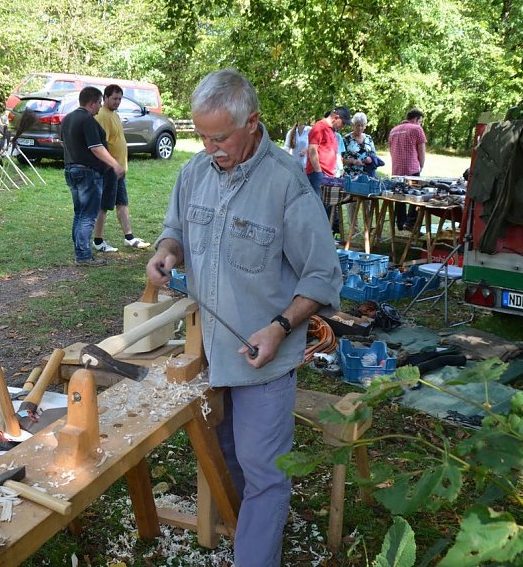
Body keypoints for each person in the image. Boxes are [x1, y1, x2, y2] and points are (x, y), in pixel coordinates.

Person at [146, 69, 342, 567]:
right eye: (202, 136)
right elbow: (175, 231)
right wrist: (167, 252)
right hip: (211, 354)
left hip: (262, 358)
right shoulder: (194, 173)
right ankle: (253, 531)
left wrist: (279, 328)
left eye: (220, 136)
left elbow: (322, 275)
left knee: (265, 471)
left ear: (252, 123)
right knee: (228, 456)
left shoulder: (286, 184)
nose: (210, 147)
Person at [61, 86, 125, 266]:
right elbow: (96, 147)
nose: (99, 107)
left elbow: (63, 143)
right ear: (91, 103)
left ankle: (79, 250)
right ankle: (83, 256)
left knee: (79, 213)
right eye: (98, 103)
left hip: (70, 170)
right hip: (87, 173)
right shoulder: (87, 120)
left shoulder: (68, 119)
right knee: (88, 215)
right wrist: (115, 165)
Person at [91, 84, 151, 253]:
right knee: (104, 205)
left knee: (122, 203)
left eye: (119, 99)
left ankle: (129, 237)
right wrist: (112, 165)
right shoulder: (103, 116)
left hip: (118, 170)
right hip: (109, 170)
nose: (117, 102)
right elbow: (101, 145)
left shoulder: (113, 115)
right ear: (105, 98)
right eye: (114, 98)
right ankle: (98, 240)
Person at [306, 107, 351, 233]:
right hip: (318, 175)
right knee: (317, 210)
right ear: (336, 118)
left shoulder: (331, 131)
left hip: (329, 176)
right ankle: (313, 239)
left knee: (327, 211)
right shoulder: (319, 127)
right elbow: (312, 150)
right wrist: (319, 173)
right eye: (343, 123)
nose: (343, 126)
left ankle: (323, 238)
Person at [388, 108, 426, 231]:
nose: (420, 124)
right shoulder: (417, 129)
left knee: (399, 196)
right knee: (416, 197)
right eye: (420, 121)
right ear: (415, 119)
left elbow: (390, 150)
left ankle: (400, 223)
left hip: (397, 169)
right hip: (412, 169)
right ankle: (410, 223)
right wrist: (421, 165)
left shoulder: (393, 131)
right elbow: (421, 150)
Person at [342, 112, 379, 177]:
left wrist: (370, 159)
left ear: (365, 126)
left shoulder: (368, 138)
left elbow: (374, 156)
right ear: (353, 125)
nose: (360, 128)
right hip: (351, 175)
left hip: (368, 175)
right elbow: (340, 160)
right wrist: (353, 161)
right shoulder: (346, 139)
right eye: (358, 125)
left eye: (362, 125)